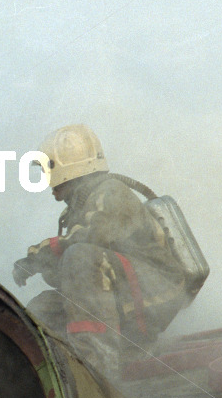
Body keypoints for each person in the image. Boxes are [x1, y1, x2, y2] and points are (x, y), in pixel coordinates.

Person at [12, 124, 190, 378]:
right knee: (42, 309)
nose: (49, 187)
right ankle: (47, 375)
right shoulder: (78, 208)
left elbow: (89, 239)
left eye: (48, 173)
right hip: (127, 294)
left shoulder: (112, 193)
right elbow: (71, 275)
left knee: (80, 257)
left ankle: (97, 369)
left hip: (160, 289)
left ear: (64, 169)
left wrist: (38, 257)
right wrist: (45, 265)